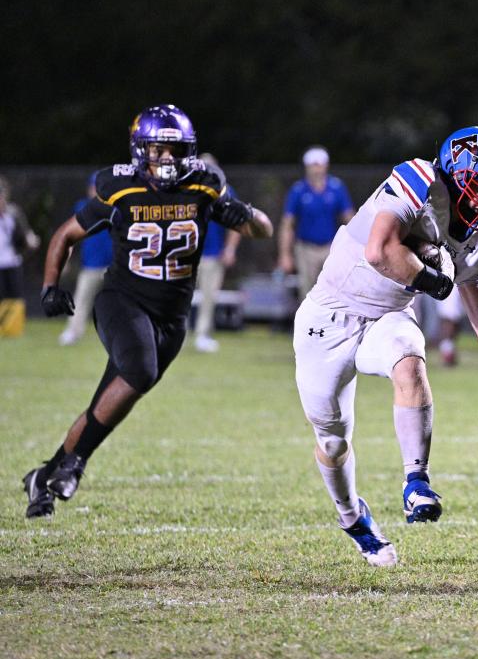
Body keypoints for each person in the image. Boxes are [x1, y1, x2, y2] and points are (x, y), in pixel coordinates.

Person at [292, 126, 478, 567]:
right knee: (331, 441)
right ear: (458, 175)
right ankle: (352, 517)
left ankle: (416, 482)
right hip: (328, 317)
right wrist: (432, 279)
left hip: (386, 317)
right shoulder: (418, 178)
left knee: (410, 362)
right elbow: (380, 250)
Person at [22, 105, 273, 518]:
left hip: (171, 320)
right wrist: (51, 286)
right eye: (159, 149)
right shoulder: (120, 187)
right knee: (139, 371)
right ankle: (75, 465)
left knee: (109, 403)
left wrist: (251, 216)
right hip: (122, 301)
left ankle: (44, 476)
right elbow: (65, 234)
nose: (168, 159)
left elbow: (257, 228)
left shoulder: (204, 187)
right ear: (142, 150)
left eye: (175, 150)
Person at [278, 146, 355, 301]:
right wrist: (285, 254)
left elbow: (349, 218)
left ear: (326, 166)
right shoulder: (298, 190)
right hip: (305, 248)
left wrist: (354, 247)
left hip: (330, 247)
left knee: (334, 290)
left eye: (319, 165)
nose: (317, 169)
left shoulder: (337, 187)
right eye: (313, 165)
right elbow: (287, 224)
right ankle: (307, 325)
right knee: (307, 292)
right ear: (307, 167)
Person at [193, 153, 243, 353]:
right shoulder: (187, 190)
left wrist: (230, 248)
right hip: (188, 254)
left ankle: (202, 335)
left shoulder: (225, 192)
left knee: (208, 298)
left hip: (213, 254)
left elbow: (236, 223)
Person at [59, 173, 114, 346]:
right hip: (91, 264)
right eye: (93, 187)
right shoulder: (81, 207)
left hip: (114, 265)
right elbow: (70, 236)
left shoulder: (115, 207)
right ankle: (73, 331)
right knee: (81, 300)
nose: (95, 191)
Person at [0, 175, 40, 337]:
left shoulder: (13, 213)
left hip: (12, 260)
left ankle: (14, 328)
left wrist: (31, 240)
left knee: (15, 296)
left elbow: (24, 232)